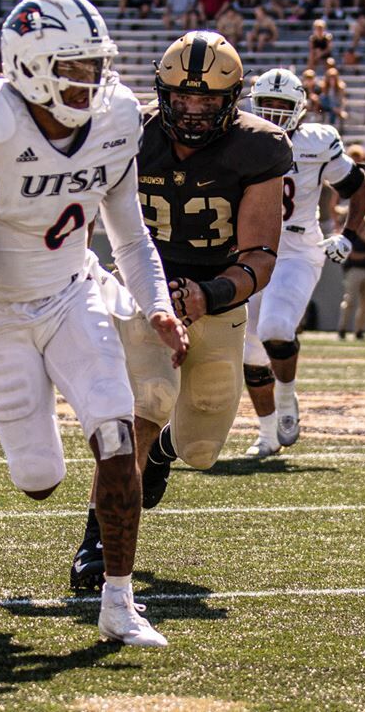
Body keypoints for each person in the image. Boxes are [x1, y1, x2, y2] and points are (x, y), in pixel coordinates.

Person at [0, 0, 187, 647]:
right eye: (74, 67)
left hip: (75, 293)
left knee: (115, 432)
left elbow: (129, 237)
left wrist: (157, 305)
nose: (91, 81)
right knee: (40, 478)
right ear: (31, 65)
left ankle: (118, 600)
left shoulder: (116, 121)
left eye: (94, 66)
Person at [86, 30, 288, 567]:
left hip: (217, 298)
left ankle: (163, 454)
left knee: (202, 447)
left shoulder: (259, 146)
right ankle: (97, 542)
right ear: (162, 91)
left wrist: (209, 292)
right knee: (145, 403)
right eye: (181, 97)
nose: (193, 110)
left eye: (207, 100)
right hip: (140, 287)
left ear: (232, 100)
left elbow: (261, 256)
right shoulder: (128, 132)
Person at [239, 69, 365, 458]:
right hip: (248, 246)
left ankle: (286, 398)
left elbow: (359, 186)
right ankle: (267, 434)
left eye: (284, 107)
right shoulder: (237, 140)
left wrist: (347, 235)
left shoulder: (317, 142)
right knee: (248, 351)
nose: (276, 114)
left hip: (297, 247)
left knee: (277, 326)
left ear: (299, 110)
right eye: (268, 105)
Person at [338, 228, 365, 341]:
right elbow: (352, 255)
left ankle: (359, 330)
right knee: (349, 301)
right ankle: (342, 328)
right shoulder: (350, 236)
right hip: (354, 270)